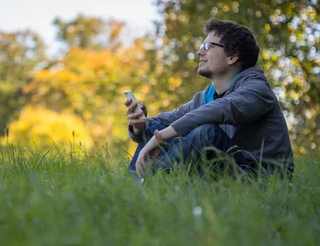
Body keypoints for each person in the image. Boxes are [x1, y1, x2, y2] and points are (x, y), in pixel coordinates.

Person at [125, 18, 294, 179]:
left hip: (259, 179)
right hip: (227, 173)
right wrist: (140, 126)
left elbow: (222, 108)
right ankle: (133, 192)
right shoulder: (206, 96)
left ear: (232, 56)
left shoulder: (257, 88)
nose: (199, 51)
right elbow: (170, 120)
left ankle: (151, 185)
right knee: (158, 126)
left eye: (207, 46)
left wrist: (160, 137)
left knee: (206, 132)